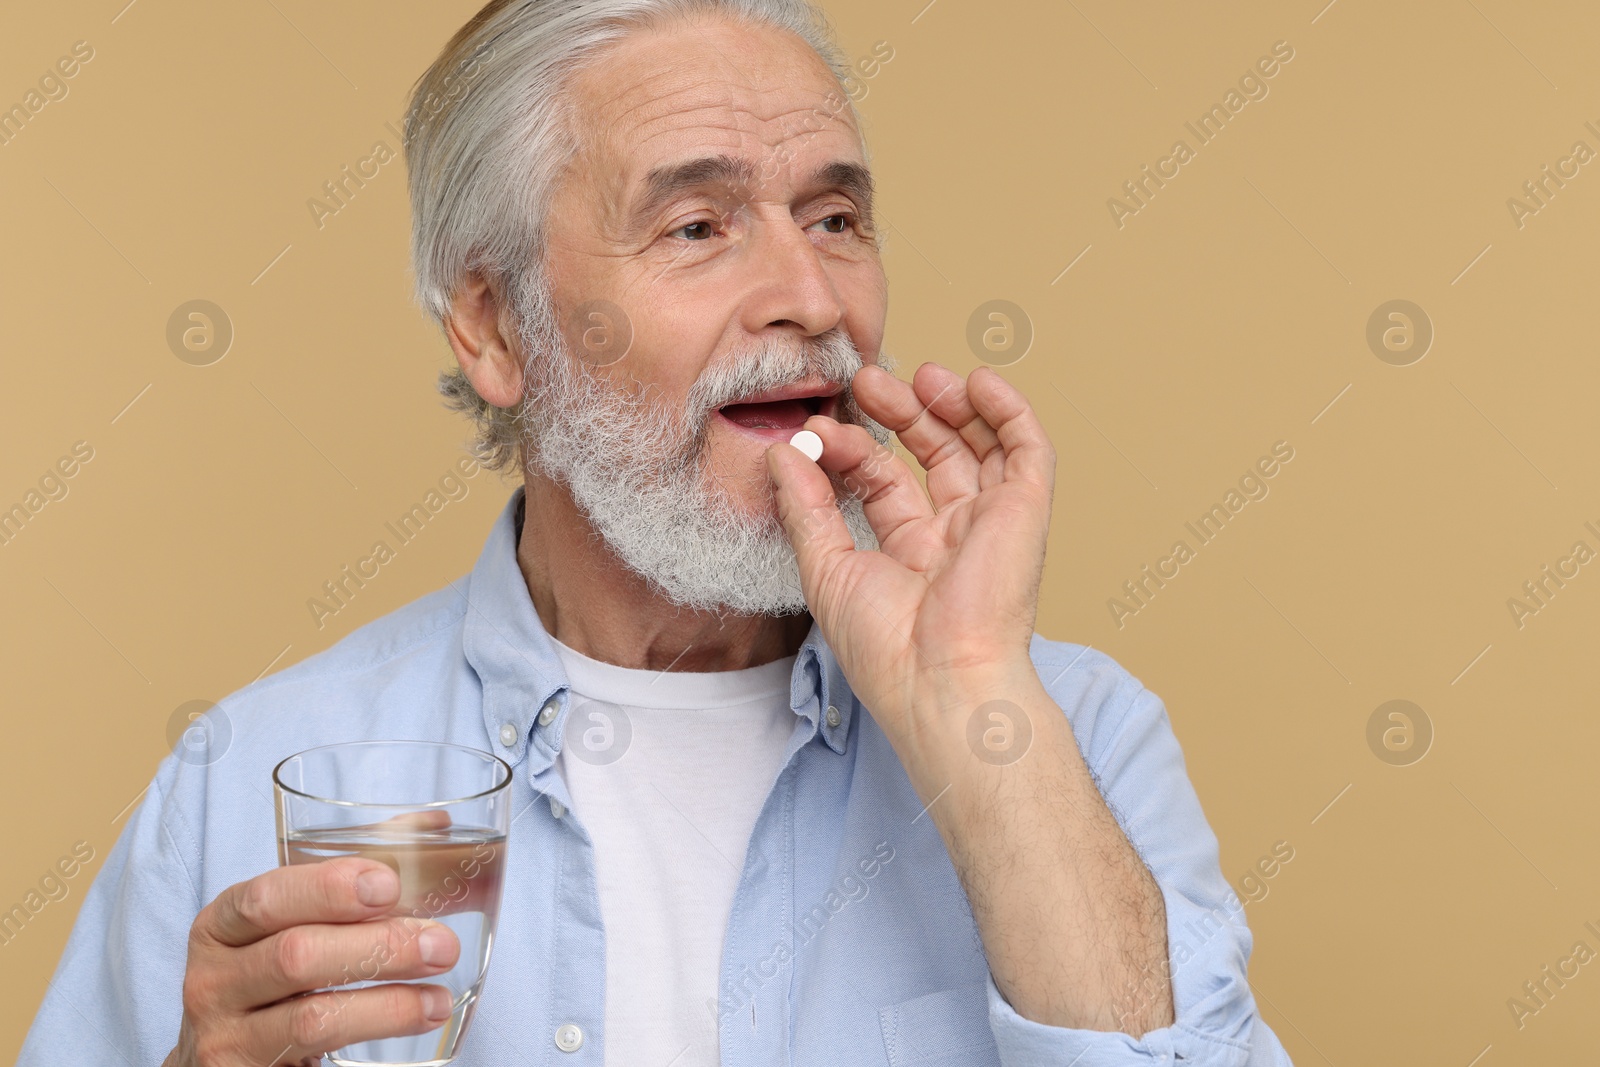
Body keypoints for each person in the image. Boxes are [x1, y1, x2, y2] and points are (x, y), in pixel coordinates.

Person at [18, 1, 1292, 1064]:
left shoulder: (1075, 738)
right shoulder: (249, 774)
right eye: (697, 226)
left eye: (836, 218)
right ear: (497, 329)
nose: (810, 298)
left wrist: (974, 701)